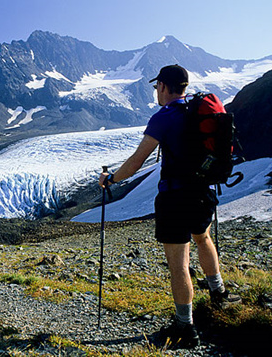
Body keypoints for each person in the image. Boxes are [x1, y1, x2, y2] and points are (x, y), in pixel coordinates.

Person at [99, 64, 241, 349]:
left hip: (175, 198)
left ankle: (184, 327)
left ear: (163, 86)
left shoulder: (164, 118)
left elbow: (136, 161)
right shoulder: (199, 110)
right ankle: (219, 293)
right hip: (202, 192)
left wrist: (111, 178)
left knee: (179, 265)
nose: (156, 93)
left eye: (156, 88)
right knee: (203, 238)